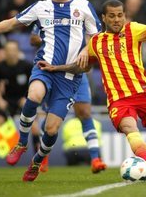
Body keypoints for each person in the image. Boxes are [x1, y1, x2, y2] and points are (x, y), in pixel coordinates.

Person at [0, 0, 103, 182]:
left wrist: (84, 49)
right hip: (44, 67)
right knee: (34, 95)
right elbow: (12, 22)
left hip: (70, 77)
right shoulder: (41, 7)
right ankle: (22, 142)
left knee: (52, 129)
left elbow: (97, 36)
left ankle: (36, 162)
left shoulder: (83, 6)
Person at [38, 0, 146, 181]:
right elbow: (81, 67)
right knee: (129, 127)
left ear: (124, 15)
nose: (117, 20)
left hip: (144, 93)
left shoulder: (134, 29)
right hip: (118, 98)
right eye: (112, 16)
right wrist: (56, 68)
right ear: (104, 18)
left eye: (120, 15)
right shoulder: (96, 42)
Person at [30, 27, 106, 173]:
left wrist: (85, 47)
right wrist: (54, 41)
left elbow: (94, 39)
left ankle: (95, 159)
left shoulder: (82, 12)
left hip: (77, 71)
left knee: (84, 113)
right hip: (54, 72)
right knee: (50, 116)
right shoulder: (46, 11)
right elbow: (33, 39)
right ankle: (43, 158)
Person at [0, 41, 40, 167]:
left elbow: (34, 84)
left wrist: (27, 99)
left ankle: (37, 161)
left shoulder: (26, 66)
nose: (11, 53)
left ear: (18, 52)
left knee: (35, 128)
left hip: (24, 100)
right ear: (5, 52)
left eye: (13, 50)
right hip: (8, 101)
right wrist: (0, 100)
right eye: (8, 50)